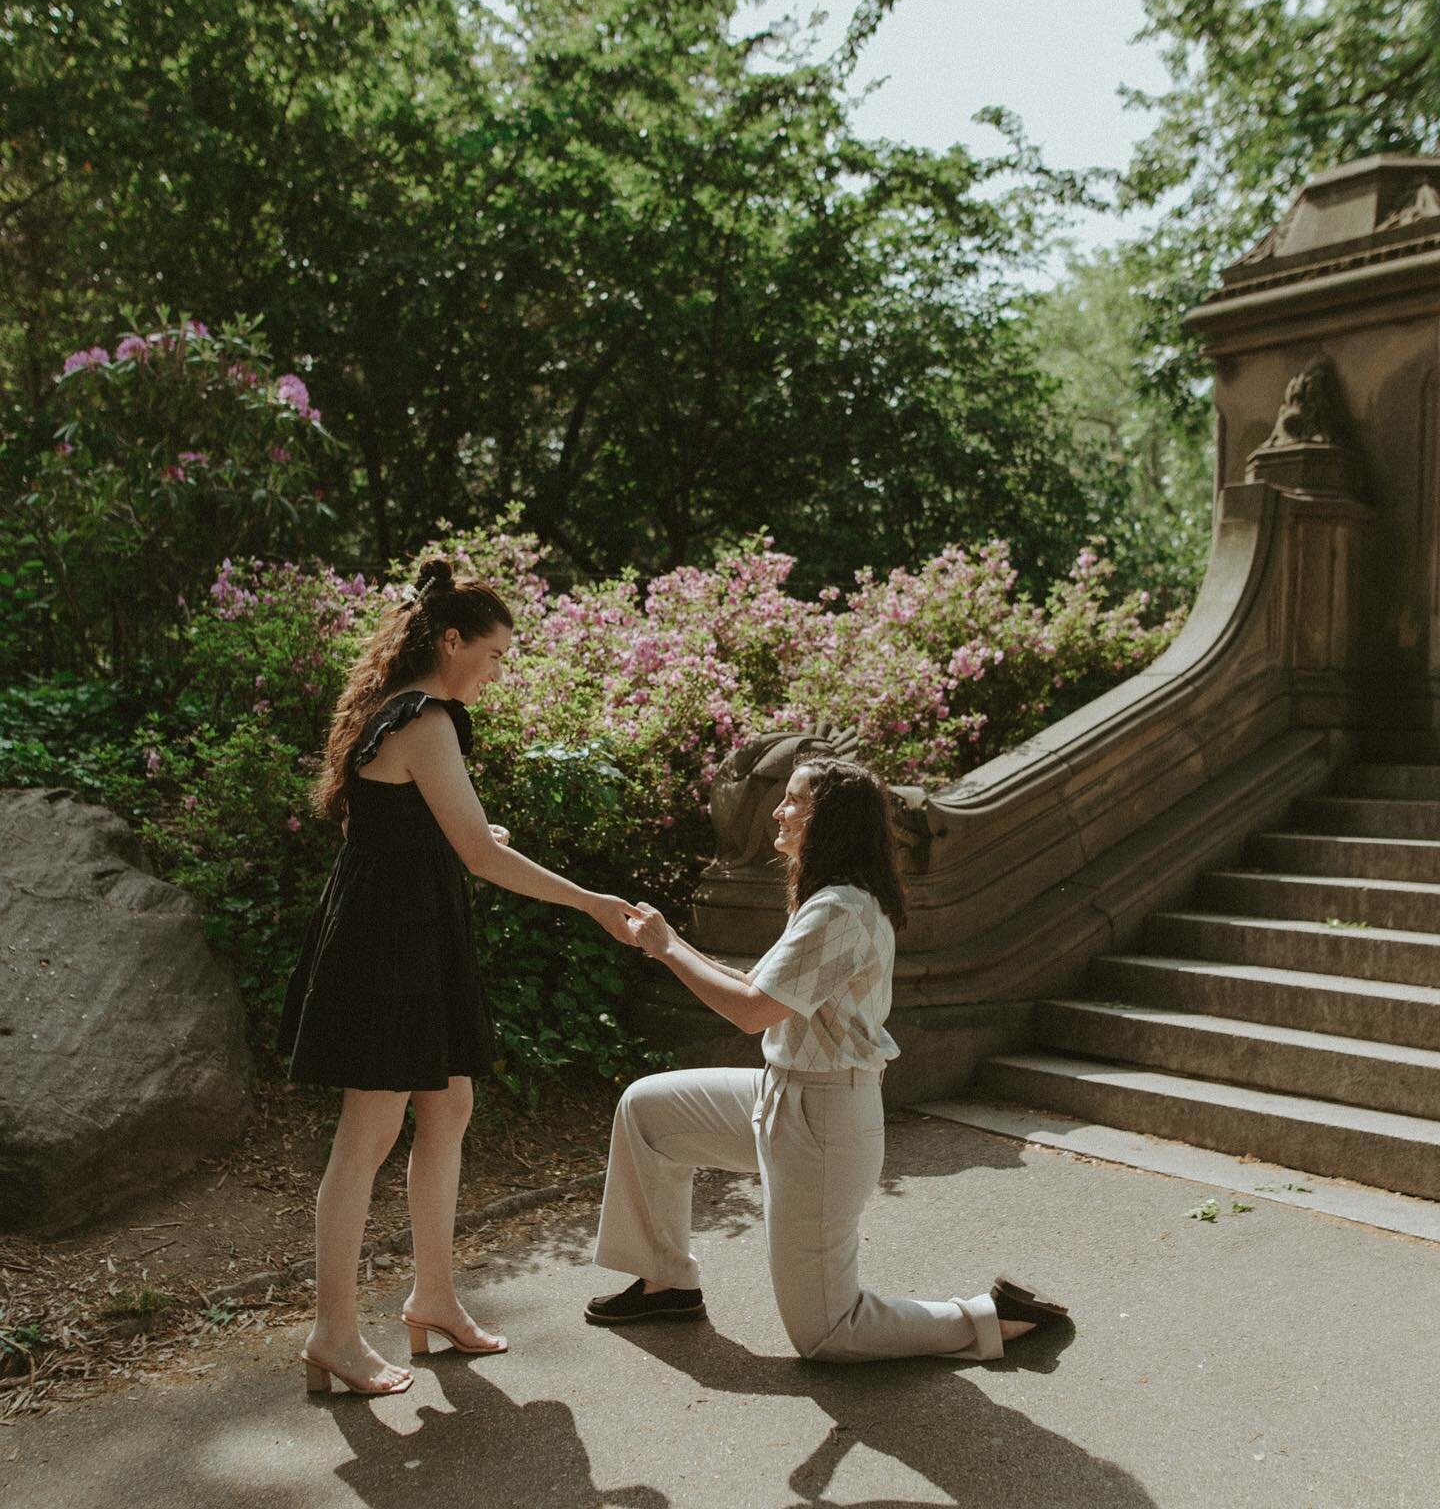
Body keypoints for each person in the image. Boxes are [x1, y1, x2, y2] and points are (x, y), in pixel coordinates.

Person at [280, 557, 637, 1396]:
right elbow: (477, 854)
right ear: (450, 640)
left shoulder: (395, 708)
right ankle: (332, 1334)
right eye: (495, 654)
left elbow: (409, 824)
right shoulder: (427, 719)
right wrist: (590, 901)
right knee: (365, 1138)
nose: (498, 670)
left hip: (402, 931)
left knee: (448, 1105)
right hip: (389, 945)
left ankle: (432, 1296)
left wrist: (466, 835)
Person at [585, 755, 1071, 1362]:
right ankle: (666, 1284)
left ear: (831, 823)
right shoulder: (823, 903)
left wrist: (664, 953)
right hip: (783, 1094)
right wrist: (671, 942)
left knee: (827, 1334)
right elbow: (754, 985)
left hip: (824, 1121)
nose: (779, 811)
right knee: (648, 1112)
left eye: (795, 802)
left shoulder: (840, 910)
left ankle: (989, 1316)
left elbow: (751, 1011)